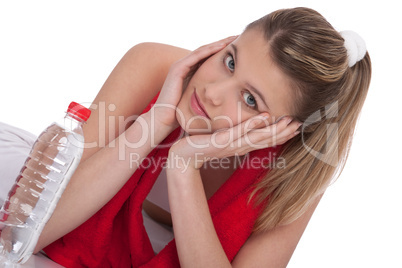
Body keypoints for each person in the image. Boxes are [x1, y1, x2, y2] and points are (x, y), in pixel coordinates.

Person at [0, 7, 371, 267]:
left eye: (249, 99)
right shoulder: (156, 66)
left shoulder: (299, 166)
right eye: (230, 60)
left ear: (284, 127)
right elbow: (28, 232)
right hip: (34, 173)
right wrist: (157, 122)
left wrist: (182, 165)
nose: (212, 92)